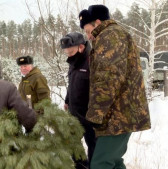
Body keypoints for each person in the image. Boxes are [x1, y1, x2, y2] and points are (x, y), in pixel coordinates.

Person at [78, 5, 151, 169]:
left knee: (100, 163)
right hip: (119, 112)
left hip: (119, 115)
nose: (88, 36)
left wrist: (96, 114)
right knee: (114, 162)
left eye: (89, 31)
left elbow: (108, 78)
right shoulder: (113, 35)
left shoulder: (110, 36)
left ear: (98, 22)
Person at [60, 32, 96, 169]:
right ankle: (81, 166)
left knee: (93, 145)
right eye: (66, 52)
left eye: (71, 51)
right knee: (72, 143)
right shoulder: (73, 62)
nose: (68, 54)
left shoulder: (91, 62)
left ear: (81, 47)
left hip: (89, 115)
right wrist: (67, 100)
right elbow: (72, 83)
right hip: (74, 113)